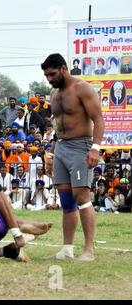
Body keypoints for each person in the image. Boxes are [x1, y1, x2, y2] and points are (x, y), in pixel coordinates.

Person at [42, 53, 105, 262]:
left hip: (81, 146)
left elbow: (98, 119)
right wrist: (51, 153)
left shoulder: (82, 88)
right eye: (46, 76)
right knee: (66, 200)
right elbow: (57, 124)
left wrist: (95, 148)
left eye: (52, 74)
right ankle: (67, 250)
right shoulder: (53, 94)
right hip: (61, 147)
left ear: (63, 68)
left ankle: (88, 251)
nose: (49, 79)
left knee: (82, 197)